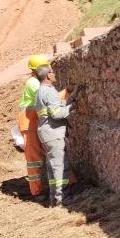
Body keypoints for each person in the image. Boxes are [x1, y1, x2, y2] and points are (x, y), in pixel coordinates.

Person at [34, 64, 77, 206]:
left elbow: (54, 105)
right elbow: (57, 113)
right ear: (47, 76)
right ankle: (62, 199)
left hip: (46, 133)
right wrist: (71, 107)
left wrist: (70, 99)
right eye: (52, 72)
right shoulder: (49, 91)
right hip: (53, 133)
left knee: (52, 167)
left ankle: (55, 197)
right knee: (59, 166)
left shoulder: (40, 91)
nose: (55, 74)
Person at [18, 54, 49, 199]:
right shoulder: (33, 83)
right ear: (34, 70)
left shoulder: (38, 81)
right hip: (29, 123)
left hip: (35, 121)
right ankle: (36, 192)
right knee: (34, 159)